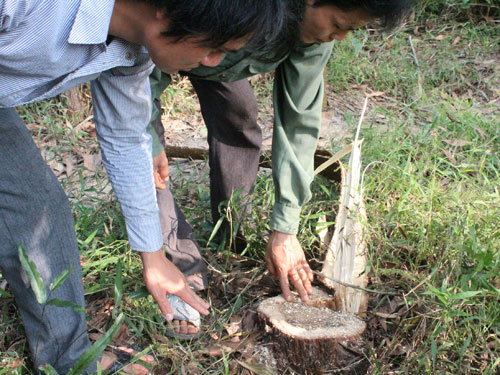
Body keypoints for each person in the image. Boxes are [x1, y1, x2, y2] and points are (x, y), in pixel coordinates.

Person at [0, 0, 292, 373]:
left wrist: (153, 255)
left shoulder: (133, 50)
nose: (214, 63)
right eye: (214, 48)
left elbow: (125, 136)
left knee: (38, 206)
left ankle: (70, 361)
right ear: (166, 10)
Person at [149, 0, 415, 338]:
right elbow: (136, 76)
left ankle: (232, 227)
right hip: (156, 53)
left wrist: (285, 228)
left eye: (352, 30)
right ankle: (180, 266)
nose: (341, 36)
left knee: (239, 117)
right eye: (338, 23)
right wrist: (146, 141)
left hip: (222, 50)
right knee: (147, 162)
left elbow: (298, 121)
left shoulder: (316, 37)